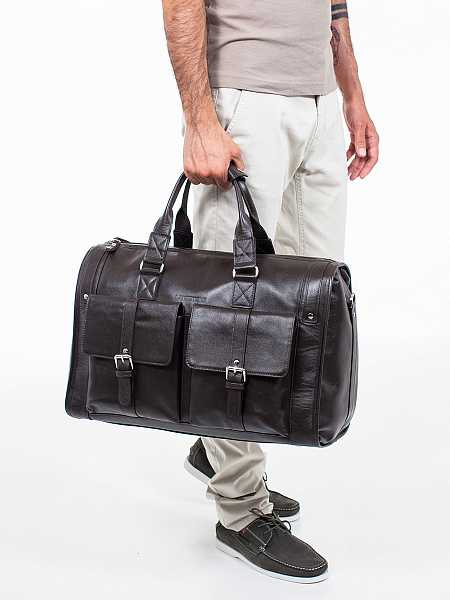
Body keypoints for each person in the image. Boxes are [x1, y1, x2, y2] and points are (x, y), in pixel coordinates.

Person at [162, 0, 379, 584]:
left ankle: (214, 447)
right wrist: (199, 120)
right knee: (231, 316)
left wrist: (351, 94)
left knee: (310, 305)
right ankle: (240, 508)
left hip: (319, 104)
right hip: (245, 101)